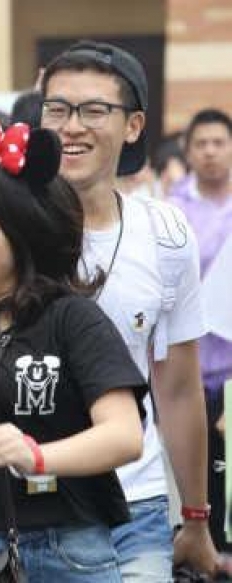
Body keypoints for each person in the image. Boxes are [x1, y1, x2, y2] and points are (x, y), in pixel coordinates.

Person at [0, 39, 218, 580]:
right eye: (57, 108)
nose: (72, 126)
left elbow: (178, 389)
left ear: (134, 126)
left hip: (132, 502)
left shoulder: (165, 234)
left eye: (94, 110)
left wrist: (195, 516)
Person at [0, 114, 145, 582]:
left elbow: (124, 435)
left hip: (67, 552)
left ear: (26, 236)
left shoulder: (70, 319)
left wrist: (37, 456)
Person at [169, 108, 232, 553]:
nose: (210, 152)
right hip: (190, 365)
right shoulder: (172, 208)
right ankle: (200, 549)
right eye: (202, 144)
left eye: (219, 142)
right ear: (188, 151)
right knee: (200, 463)